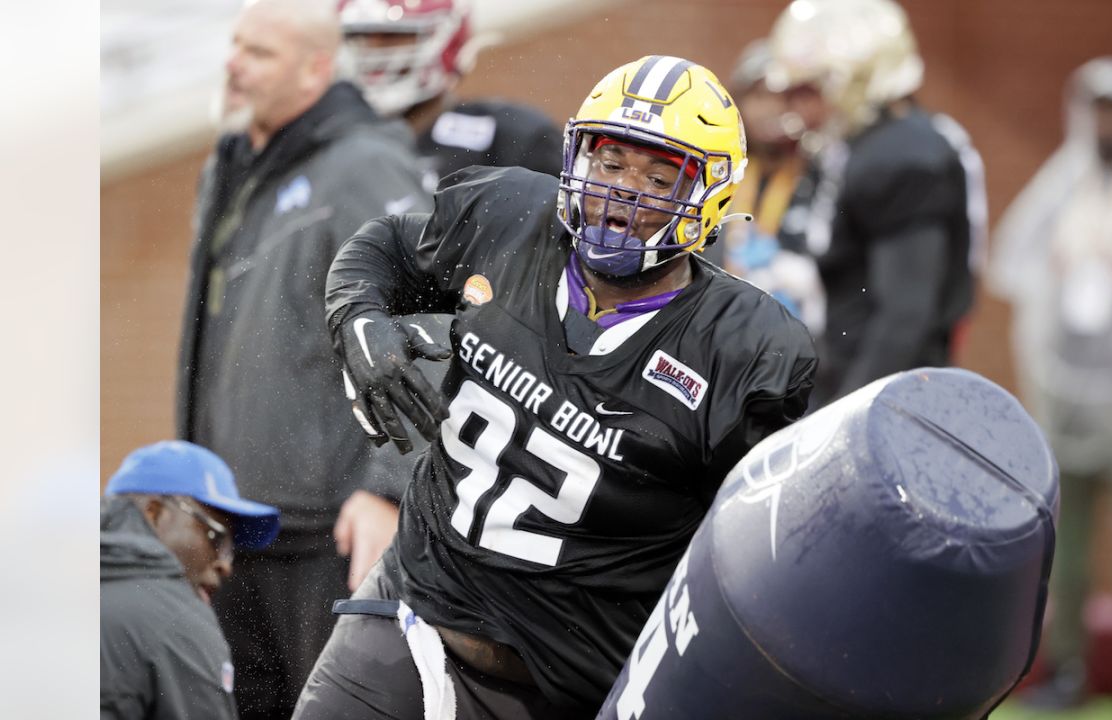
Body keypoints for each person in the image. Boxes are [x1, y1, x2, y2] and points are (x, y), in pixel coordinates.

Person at [292, 56, 817, 719]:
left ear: (707, 196)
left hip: (571, 685)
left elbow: (760, 548)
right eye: (611, 164)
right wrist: (360, 321)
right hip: (411, 612)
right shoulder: (510, 214)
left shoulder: (744, 347)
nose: (624, 192)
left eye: (659, 176)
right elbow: (383, 249)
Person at [174, 0, 432, 716]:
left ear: (317, 68)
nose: (233, 64)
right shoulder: (234, 167)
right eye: (235, 45)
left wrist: (388, 486)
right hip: (236, 530)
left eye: (259, 52)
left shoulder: (365, 163)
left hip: (326, 541)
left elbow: (428, 320)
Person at [988, 56, 1112, 716]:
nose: (1107, 125)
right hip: (1065, 394)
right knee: (1064, 545)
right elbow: (1009, 261)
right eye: (1098, 111)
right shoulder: (1062, 186)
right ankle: (1065, 664)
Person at [765, 0, 987, 406]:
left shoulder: (902, 154)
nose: (795, 109)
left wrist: (845, 421)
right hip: (849, 372)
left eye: (807, 89)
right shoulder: (860, 145)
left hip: (885, 394)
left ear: (854, 80)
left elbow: (904, 316)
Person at [101, 441, 282, 720]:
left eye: (230, 551)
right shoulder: (176, 618)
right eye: (216, 537)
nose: (224, 565)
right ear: (155, 513)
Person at [338, 0, 562, 194]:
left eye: (392, 36)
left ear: (446, 40)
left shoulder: (513, 136)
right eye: (363, 38)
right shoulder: (340, 139)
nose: (373, 53)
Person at [709, 39, 826, 335]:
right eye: (759, 96)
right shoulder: (718, 173)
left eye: (783, 97)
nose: (771, 109)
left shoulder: (824, 173)